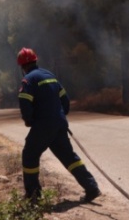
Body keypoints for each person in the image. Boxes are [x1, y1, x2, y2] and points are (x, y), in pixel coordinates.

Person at [16, 47, 101, 202]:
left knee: (29, 155)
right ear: (36, 61)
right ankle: (92, 187)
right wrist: (60, 117)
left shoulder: (28, 80)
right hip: (59, 124)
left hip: (42, 126)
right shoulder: (50, 75)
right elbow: (65, 100)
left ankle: (33, 196)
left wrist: (29, 120)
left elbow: (24, 100)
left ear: (22, 66)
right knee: (69, 157)